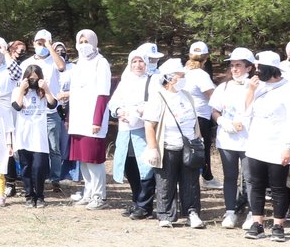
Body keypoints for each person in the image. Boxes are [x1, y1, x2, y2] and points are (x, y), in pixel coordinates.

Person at [242, 51, 290, 243]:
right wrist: (251, 91)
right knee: (256, 184)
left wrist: (288, 146)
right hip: (256, 144)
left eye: (259, 68)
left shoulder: (289, 89)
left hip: (278, 145)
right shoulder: (257, 86)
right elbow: (246, 112)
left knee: (278, 187)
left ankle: (278, 225)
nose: (256, 71)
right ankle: (258, 223)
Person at [143, 58, 204, 228]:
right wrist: (153, 148)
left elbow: (194, 121)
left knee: (191, 181)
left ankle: (192, 213)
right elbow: (149, 125)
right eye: (180, 75)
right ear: (170, 78)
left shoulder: (187, 96)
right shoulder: (158, 97)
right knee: (165, 182)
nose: (184, 78)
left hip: (189, 147)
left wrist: (198, 139)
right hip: (167, 146)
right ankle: (165, 215)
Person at [107, 46, 157, 220]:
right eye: (134, 61)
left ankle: (145, 205)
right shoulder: (125, 81)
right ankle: (137, 201)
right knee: (130, 168)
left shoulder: (151, 80)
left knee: (146, 168)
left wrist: (136, 112)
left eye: (141, 61)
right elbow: (113, 103)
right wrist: (120, 111)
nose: (138, 65)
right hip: (125, 131)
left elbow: (153, 103)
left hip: (143, 131)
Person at [67, 29, 112, 209]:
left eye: (87, 41)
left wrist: (97, 120)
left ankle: (99, 196)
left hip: (93, 119)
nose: (84, 45)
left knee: (94, 160)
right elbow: (75, 93)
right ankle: (88, 191)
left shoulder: (101, 63)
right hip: (78, 118)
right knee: (83, 159)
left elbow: (103, 93)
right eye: (81, 41)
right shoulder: (78, 64)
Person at [210, 49, 255, 228]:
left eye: (239, 65)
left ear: (249, 67)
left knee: (250, 177)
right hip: (227, 139)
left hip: (249, 139)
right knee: (230, 176)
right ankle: (231, 211)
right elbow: (214, 110)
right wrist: (222, 121)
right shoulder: (224, 87)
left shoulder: (256, 86)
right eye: (232, 65)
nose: (235, 69)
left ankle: (253, 212)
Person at [12, 64, 56, 207]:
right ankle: (29, 196)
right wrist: (21, 90)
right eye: (30, 79)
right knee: (26, 167)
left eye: (36, 79)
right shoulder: (18, 91)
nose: (33, 82)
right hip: (24, 135)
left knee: (38, 167)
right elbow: (17, 107)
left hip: (39, 136)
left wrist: (46, 89)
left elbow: (52, 104)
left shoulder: (42, 92)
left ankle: (40, 195)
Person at [183, 42, 218, 181]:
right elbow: (213, 96)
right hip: (201, 116)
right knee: (203, 147)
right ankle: (207, 176)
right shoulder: (201, 75)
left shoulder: (183, 71)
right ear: (206, 57)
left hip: (186, 115)